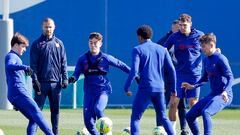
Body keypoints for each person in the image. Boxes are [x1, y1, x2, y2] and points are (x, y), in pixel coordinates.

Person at [68, 32, 131, 135]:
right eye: (91, 42)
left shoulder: (106, 57)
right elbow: (76, 73)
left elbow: (121, 65)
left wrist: (135, 75)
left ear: (100, 43)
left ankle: (107, 131)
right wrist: (71, 79)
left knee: (98, 109)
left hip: (103, 90)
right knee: (88, 122)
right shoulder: (82, 59)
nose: (93, 45)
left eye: (95, 43)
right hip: (89, 92)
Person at [124, 25, 176, 135]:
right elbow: (172, 71)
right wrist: (174, 89)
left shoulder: (137, 49)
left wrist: (127, 87)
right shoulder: (162, 49)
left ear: (139, 37)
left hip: (145, 88)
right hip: (160, 89)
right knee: (163, 117)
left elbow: (134, 72)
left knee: (136, 118)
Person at [182, 33, 233, 135]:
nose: (201, 48)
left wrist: (225, 91)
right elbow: (204, 78)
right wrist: (193, 86)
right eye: (201, 46)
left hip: (224, 95)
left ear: (211, 45)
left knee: (206, 112)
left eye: (203, 46)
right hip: (213, 94)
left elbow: (230, 77)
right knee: (189, 116)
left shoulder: (221, 59)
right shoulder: (206, 60)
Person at [5, 32, 54, 135]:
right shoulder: (11, 56)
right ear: (16, 45)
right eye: (23, 46)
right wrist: (24, 67)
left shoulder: (14, 57)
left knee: (33, 119)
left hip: (15, 94)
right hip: (19, 93)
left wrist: (15, 99)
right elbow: (9, 66)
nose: (24, 49)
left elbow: (8, 79)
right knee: (38, 114)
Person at [163, 13, 204, 135]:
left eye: (184, 25)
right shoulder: (174, 37)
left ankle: (193, 131)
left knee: (193, 104)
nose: (182, 27)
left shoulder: (200, 35)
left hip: (195, 75)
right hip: (179, 74)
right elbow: (164, 50)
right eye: (180, 25)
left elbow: (207, 48)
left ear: (190, 24)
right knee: (174, 102)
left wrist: (216, 52)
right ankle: (172, 130)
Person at [30, 18, 68, 135]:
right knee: (37, 112)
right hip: (41, 84)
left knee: (55, 112)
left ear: (54, 27)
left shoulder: (59, 44)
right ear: (42, 27)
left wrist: (65, 78)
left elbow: (63, 62)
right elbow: (33, 65)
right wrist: (35, 81)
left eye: (50, 27)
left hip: (56, 84)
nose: (48, 29)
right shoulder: (37, 44)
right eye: (46, 27)